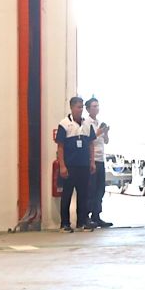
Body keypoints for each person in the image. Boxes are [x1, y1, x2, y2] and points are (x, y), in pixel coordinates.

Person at [56, 96, 97, 232]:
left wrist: (92, 162)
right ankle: (65, 224)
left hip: (84, 166)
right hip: (70, 166)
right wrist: (62, 165)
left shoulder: (87, 124)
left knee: (83, 194)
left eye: (81, 107)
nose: (80, 110)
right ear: (72, 108)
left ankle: (81, 222)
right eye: (78, 107)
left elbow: (91, 144)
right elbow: (60, 147)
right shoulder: (64, 124)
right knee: (67, 194)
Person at [85, 97, 113, 228]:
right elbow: (88, 139)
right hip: (92, 159)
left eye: (98, 106)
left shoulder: (100, 122)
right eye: (94, 106)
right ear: (88, 109)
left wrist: (105, 133)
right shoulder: (86, 123)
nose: (96, 108)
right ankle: (87, 216)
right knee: (90, 189)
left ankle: (97, 215)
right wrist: (99, 132)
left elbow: (106, 141)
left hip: (101, 159)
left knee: (100, 189)